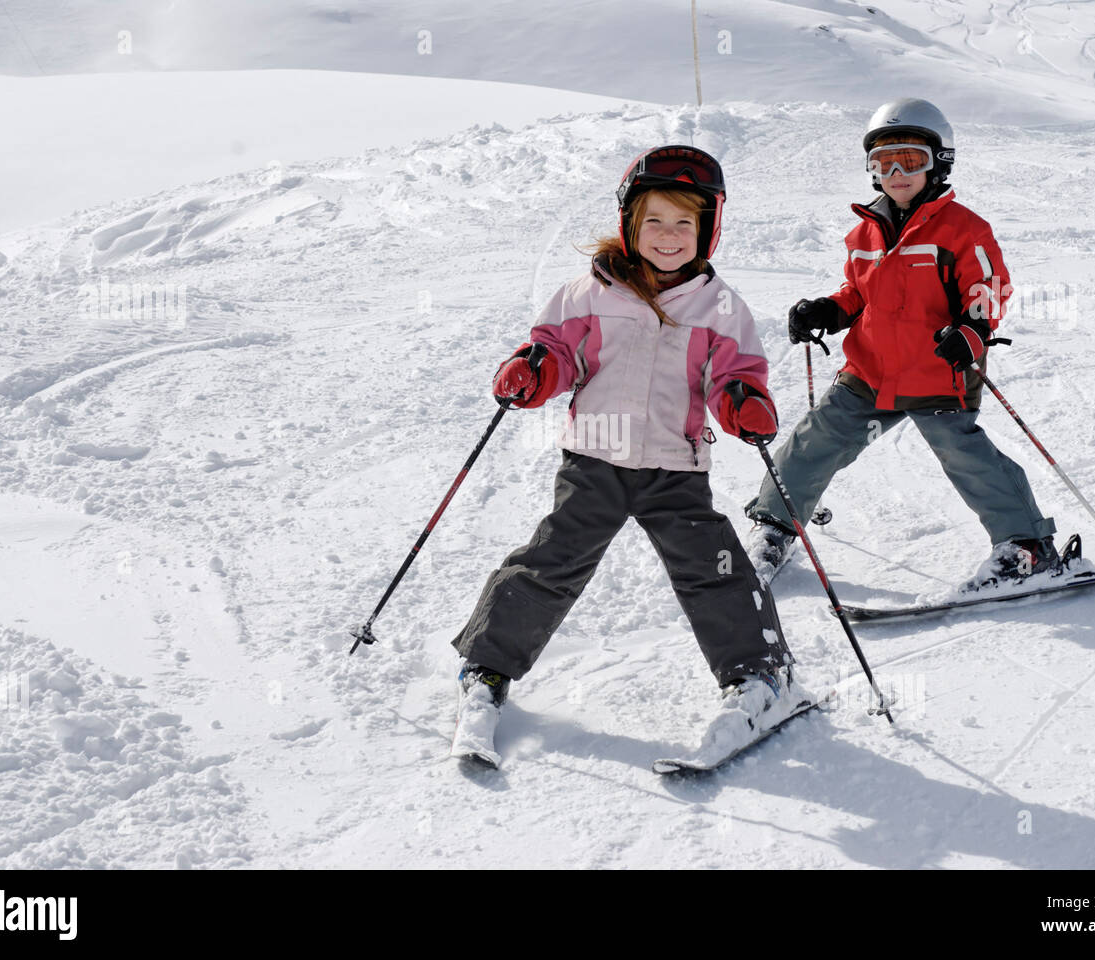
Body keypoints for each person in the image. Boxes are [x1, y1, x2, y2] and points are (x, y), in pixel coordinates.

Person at [451, 145, 809, 762]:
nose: (668, 237)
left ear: (708, 229)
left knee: (713, 568)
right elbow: (556, 353)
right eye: (654, 222)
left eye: (683, 224)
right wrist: (534, 371)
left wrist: (743, 402)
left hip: (676, 465)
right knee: (552, 560)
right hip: (594, 460)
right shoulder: (586, 294)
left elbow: (736, 374)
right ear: (628, 224)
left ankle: (760, 676)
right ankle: (486, 669)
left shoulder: (721, 307)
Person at [743, 98, 1059, 593]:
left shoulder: (963, 229)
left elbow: (988, 290)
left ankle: (1026, 547)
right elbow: (858, 292)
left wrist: (972, 332)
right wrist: (829, 309)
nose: (895, 171)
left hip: (937, 371)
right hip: (869, 372)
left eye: (910, 159)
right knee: (814, 442)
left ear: (939, 162)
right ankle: (775, 528)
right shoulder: (863, 231)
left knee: (966, 457)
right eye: (882, 161)